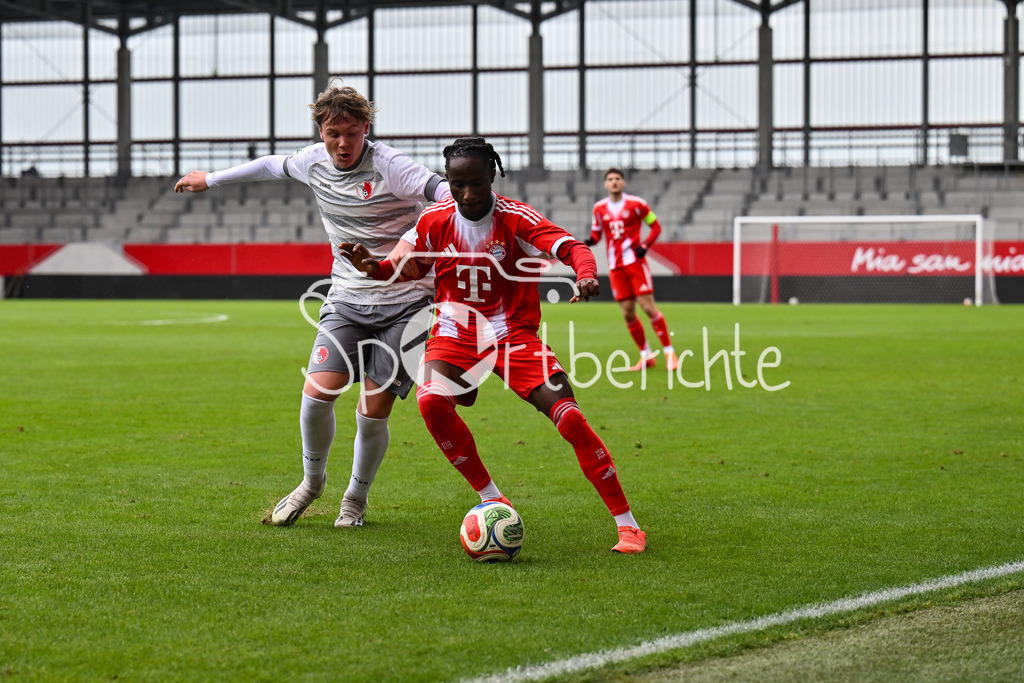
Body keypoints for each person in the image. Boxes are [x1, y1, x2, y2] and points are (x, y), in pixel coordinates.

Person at [339, 137, 646, 554]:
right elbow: (402, 268)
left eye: (477, 183)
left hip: (513, 334)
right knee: (430, 402)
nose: (467, 194)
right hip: (454, 332)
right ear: (447, 181)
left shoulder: (516, 218)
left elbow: (572, 247)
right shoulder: (434, 220)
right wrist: (372, 267)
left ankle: (628, 526)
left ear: (492, 177)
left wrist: (586, 273)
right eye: (457, 183)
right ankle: (492, 498)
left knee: (570, 418)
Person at [174, 80, 448, 529]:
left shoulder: (391, 165)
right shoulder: (312, 161)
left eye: (353, 132)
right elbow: (268, 165)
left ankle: (354, 499)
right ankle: (311, 482)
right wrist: (212, 178)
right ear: (320, 131)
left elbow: (448, 196)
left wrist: (408, 241)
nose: (343, 143)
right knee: (317, 395)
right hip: (347, 300)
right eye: (333, 133)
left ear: (366, 128)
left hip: (406, 305)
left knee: (372, 410)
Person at [586, 167, 677, 372]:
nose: (614, 182)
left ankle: (669, 352)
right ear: (605, 184)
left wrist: (645, 245)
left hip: (635, 264)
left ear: (623, 182)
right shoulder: (599, 208)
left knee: (647, 307)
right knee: (627, 313)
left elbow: (656, 226)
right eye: (610, 179)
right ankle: (646, 356)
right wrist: (586, 242)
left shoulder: (637, 204)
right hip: (615, 267)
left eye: (617, 178)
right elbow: (596, 235)